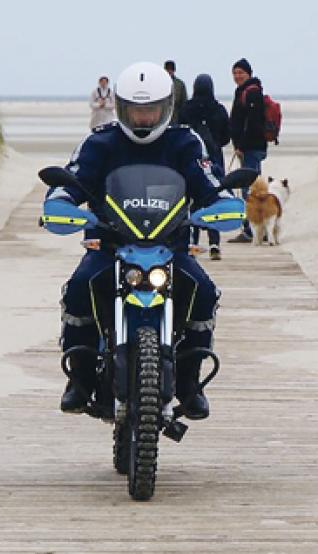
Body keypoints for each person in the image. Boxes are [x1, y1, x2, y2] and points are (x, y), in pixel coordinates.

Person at [46, 61, 235, 420]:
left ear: (167, 107)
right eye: (136, 109)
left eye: (151, 110)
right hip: (109, 246)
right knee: (79, 288)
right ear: (121, 107)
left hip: (170, 247)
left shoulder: (184, 141)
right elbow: (73, 179)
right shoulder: (100, 141)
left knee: (204, 292)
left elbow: (207, 182)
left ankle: (190, 382)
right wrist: (60, 201)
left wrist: (223, 203)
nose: (143, 118)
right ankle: (79, 380)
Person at [179, 74, 230, 260]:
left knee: (191, 201)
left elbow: (179, 131)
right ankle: (214, 243)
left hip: (191, 158)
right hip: (214, 158)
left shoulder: (187, 108)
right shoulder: (218, 109)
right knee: (213, 198)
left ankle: (192, 241)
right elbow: (226, 137)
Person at [227, 58, 267, 243]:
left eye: (241, 72)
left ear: (249, 73)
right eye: (235, 73)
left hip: (251, 148)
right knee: (252, 189)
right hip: (248, 147)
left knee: (250, 191)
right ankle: (257, 229)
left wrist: (241, 145)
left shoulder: (251, 92)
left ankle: (252, 230)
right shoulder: (244, 91)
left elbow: (252, 123)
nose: (237, 76)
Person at [164, 60, 187, 125]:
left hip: (176, 119)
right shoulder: (159, 83)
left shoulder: (180, 84)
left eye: (171, 69)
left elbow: (184, 103)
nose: (169, 71)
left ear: (174, 70)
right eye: (167, 69)